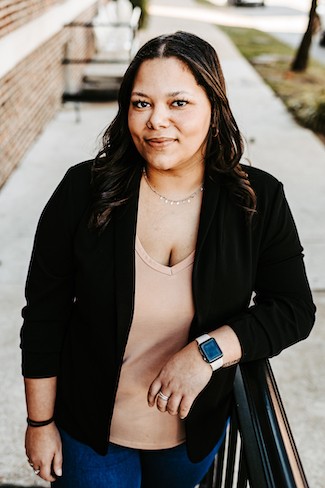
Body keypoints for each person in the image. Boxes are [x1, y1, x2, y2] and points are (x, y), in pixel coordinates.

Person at [20, 31, 316, 488]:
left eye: (178, 103)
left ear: (214, 107)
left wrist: (207, 352)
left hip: (190, 440)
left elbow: (294, 309)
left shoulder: (258, 201)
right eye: (141, 104)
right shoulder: (83, 191)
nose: (156, 121)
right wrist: (39, 424)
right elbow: (44, 313)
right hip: (90, 436)